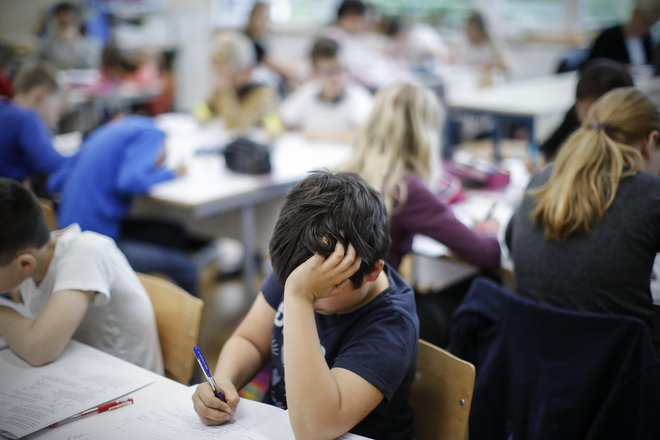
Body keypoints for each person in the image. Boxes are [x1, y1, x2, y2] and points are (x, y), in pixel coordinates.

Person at [192, 170, 419, 440]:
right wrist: (226, 379)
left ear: (372, 272)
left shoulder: (390, 326)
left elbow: (315, 430)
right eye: (299, 284)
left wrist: (299, 296)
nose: (309, 295)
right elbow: (250, 339)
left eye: (322, 288)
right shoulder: (303, 267)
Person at [506, 87, 660, 348]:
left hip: (536, 369)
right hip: (622, 373)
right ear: (651, 142)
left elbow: (510, 239)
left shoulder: (542, 181)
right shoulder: (649, 193)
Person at [0, 178, 163, 372]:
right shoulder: (33, 255)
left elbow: (38, 349)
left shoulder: (86, 252)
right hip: (77, 373)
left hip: (131, 385)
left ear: (25, 264)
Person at [344, 83, 501, 272]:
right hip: (379, 297)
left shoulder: (346, 172)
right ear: (425, 134)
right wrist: (491, 229)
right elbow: (487, 254)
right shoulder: (404, 189)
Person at [48, 116, 199, 295]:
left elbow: (54, 182)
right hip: (97, 244)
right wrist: (171, 173)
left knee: (174, 232)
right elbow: (129, 181)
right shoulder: (152, 134)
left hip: (67, 234)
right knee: (188, 268)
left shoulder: (105, 132)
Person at [538, 58, 634, 164]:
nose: (584, 118)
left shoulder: (630, 140)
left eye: (592, 112)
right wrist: (541, 158)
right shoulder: (575, 113)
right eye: (580, 109)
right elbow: (549, 146)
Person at [278, 37, 372, 143]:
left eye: (339, 70)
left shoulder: (358, 96)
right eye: (328, 72)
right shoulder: (307, 93)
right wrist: (273, 130)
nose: (336, 78)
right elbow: (278, 118)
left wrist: (317, 135)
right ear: (315, 75)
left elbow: (363, 135)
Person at [194, 31, 276, 134]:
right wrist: (201, 115)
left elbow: (235, 127)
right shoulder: (224, 88)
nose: (226, 79)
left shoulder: (262, 93)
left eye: (231, 75)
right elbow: (205, 107)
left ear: (246, 70)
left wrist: (225, 90)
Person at [0, 63, 64, 184]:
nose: (57, 119)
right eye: (56, 110)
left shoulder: (4, 108)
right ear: (41, 94)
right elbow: (55, 165)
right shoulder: (25, 119)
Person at [586, 0, 659, 68]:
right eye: (645, 23)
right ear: (635, 14)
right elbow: (593, 67)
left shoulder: (646, 39)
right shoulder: (608, 37)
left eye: (651, 25)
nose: (647, 29)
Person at [32, 2, 101, 70]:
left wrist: (73, 46)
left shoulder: (90, 44)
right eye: (62, 23)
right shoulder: (46, 45)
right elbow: (31, 64)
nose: (67, 27)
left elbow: (94, 66)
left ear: (78, 23)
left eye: (70, 22)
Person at [452, 10, 509, 77]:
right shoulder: (462, 43)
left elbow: (505, 65)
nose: (469, 35)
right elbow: (454, 62)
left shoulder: (492, 44)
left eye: (472, 31)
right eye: (467, 31)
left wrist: (488, 65)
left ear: (480, 31)